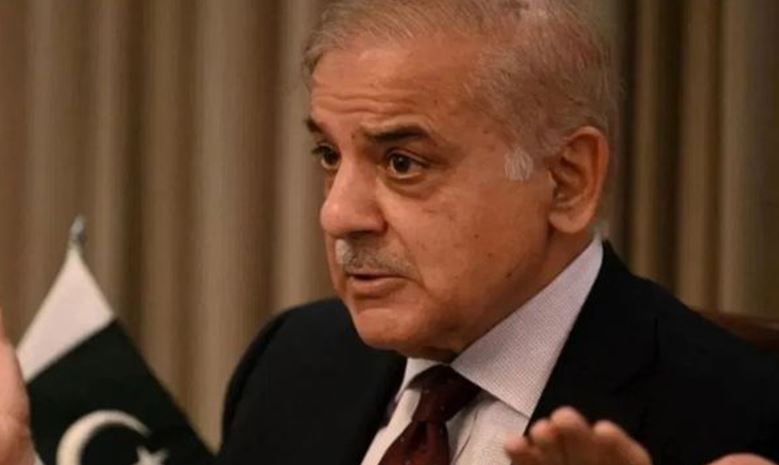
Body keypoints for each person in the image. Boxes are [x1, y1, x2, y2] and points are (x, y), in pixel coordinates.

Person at [1, 1, 778, 465]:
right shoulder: (296, 361)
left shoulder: (740, 416)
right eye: (327, 155)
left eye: (403, 162)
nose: (337, 214)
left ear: (567, 179)